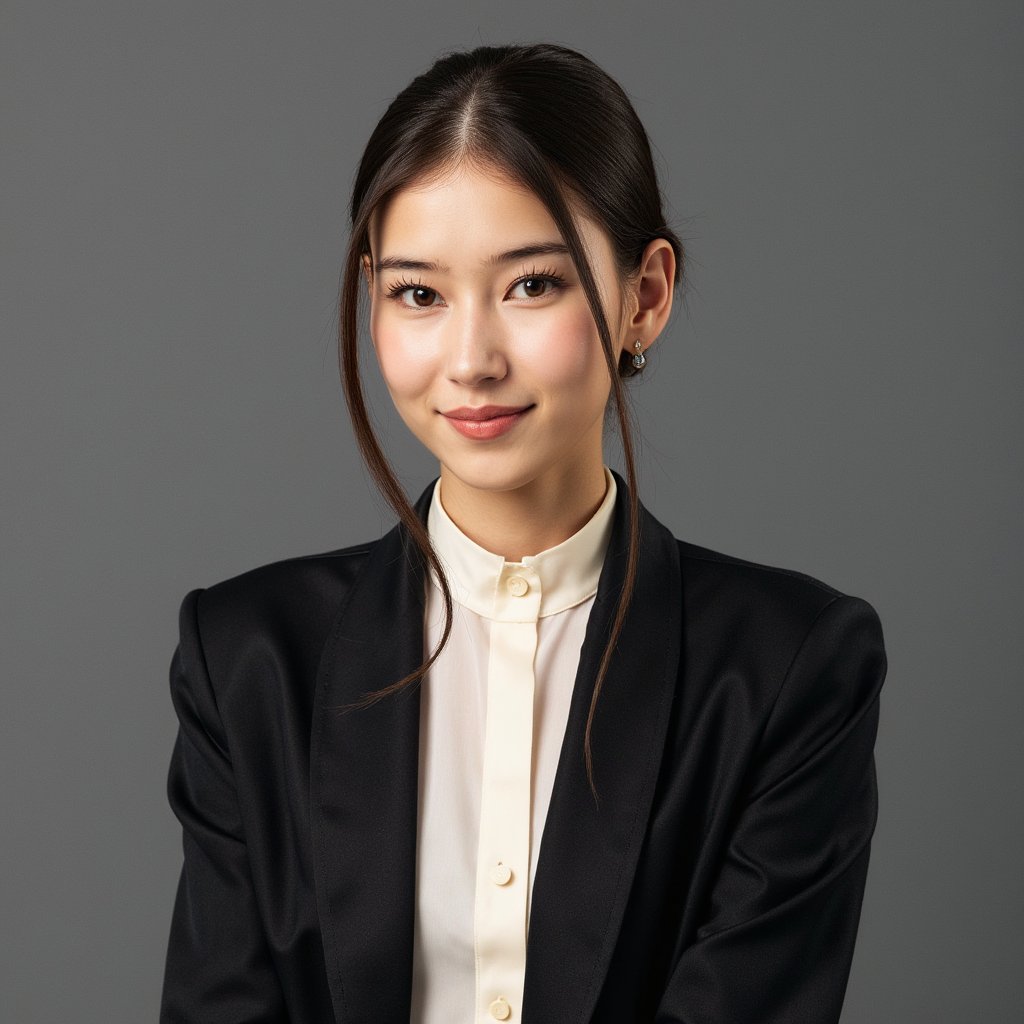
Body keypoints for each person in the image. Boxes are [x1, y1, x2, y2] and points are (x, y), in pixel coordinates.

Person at [159, 43, 888, 1024]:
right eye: (418, 294)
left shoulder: (790, 668)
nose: (468, 359)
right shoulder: (246, 658)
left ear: (647, 295)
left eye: (532, 285)